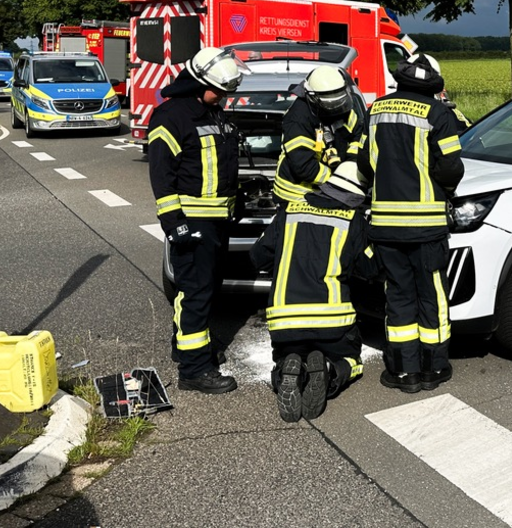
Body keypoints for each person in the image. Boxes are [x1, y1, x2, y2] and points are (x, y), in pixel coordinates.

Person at [356, 53, 464, 393]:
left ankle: (404, 372)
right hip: (427, 226)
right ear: (433, 84)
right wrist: (444, 191)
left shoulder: (375, 110)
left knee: (398, 296)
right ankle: (434, 368)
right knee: (431, 295)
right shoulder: (438, 113)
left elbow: (364, 162)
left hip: (386, 226)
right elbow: (451, 168)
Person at [148, 47, 249, 394]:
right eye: (219, 91)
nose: (223, 97)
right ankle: (194, 371)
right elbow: (162, 177)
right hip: (193, 223)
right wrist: (174, 222)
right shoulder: (171, 117)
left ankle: (187, 349)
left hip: (217, 221)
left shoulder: (211, 112)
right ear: (197, 82)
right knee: (195, 293)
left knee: (203, 292)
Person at [250, 161, 369, 422]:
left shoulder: (288, 210)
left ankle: (286, 369)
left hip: (285, 323)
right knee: (352, 359)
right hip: (333, 323)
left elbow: (258, 256)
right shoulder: (352, 218)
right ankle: (329, 369)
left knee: (284, 355)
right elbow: (368, 268)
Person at [272, 66, 359, 206]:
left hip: (333, 193)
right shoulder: (298, 118)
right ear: (312, 98)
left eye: (338, 103)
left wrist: (351, 166)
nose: (335, 108)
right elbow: (303, 166)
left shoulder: (344, 110)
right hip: (296, 197)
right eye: (330, 104)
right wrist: (338, 180)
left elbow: (357, 139)